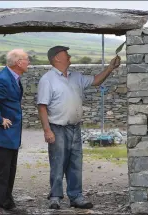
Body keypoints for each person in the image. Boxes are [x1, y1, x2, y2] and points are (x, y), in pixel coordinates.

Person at [37, 46, 120, 209]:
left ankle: (76, 197)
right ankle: (55, 197)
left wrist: (110, 67)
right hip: (57, 128)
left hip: (75, 127)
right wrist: (47, 130)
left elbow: (96, 81)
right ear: (56, 58)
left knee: (75, 163)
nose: (69, 56)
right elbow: (42, 107)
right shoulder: (47, 79)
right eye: (65, 54)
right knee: (58, 162)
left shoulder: (76, 76)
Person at [0, 49, 30, 214]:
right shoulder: (4, 79)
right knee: (3, 170)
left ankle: (7, 202)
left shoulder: (13, 77)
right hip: (2, 133)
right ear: (18, 62)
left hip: (11, 134)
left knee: (10, 168)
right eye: (26, 59)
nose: (28, 62)